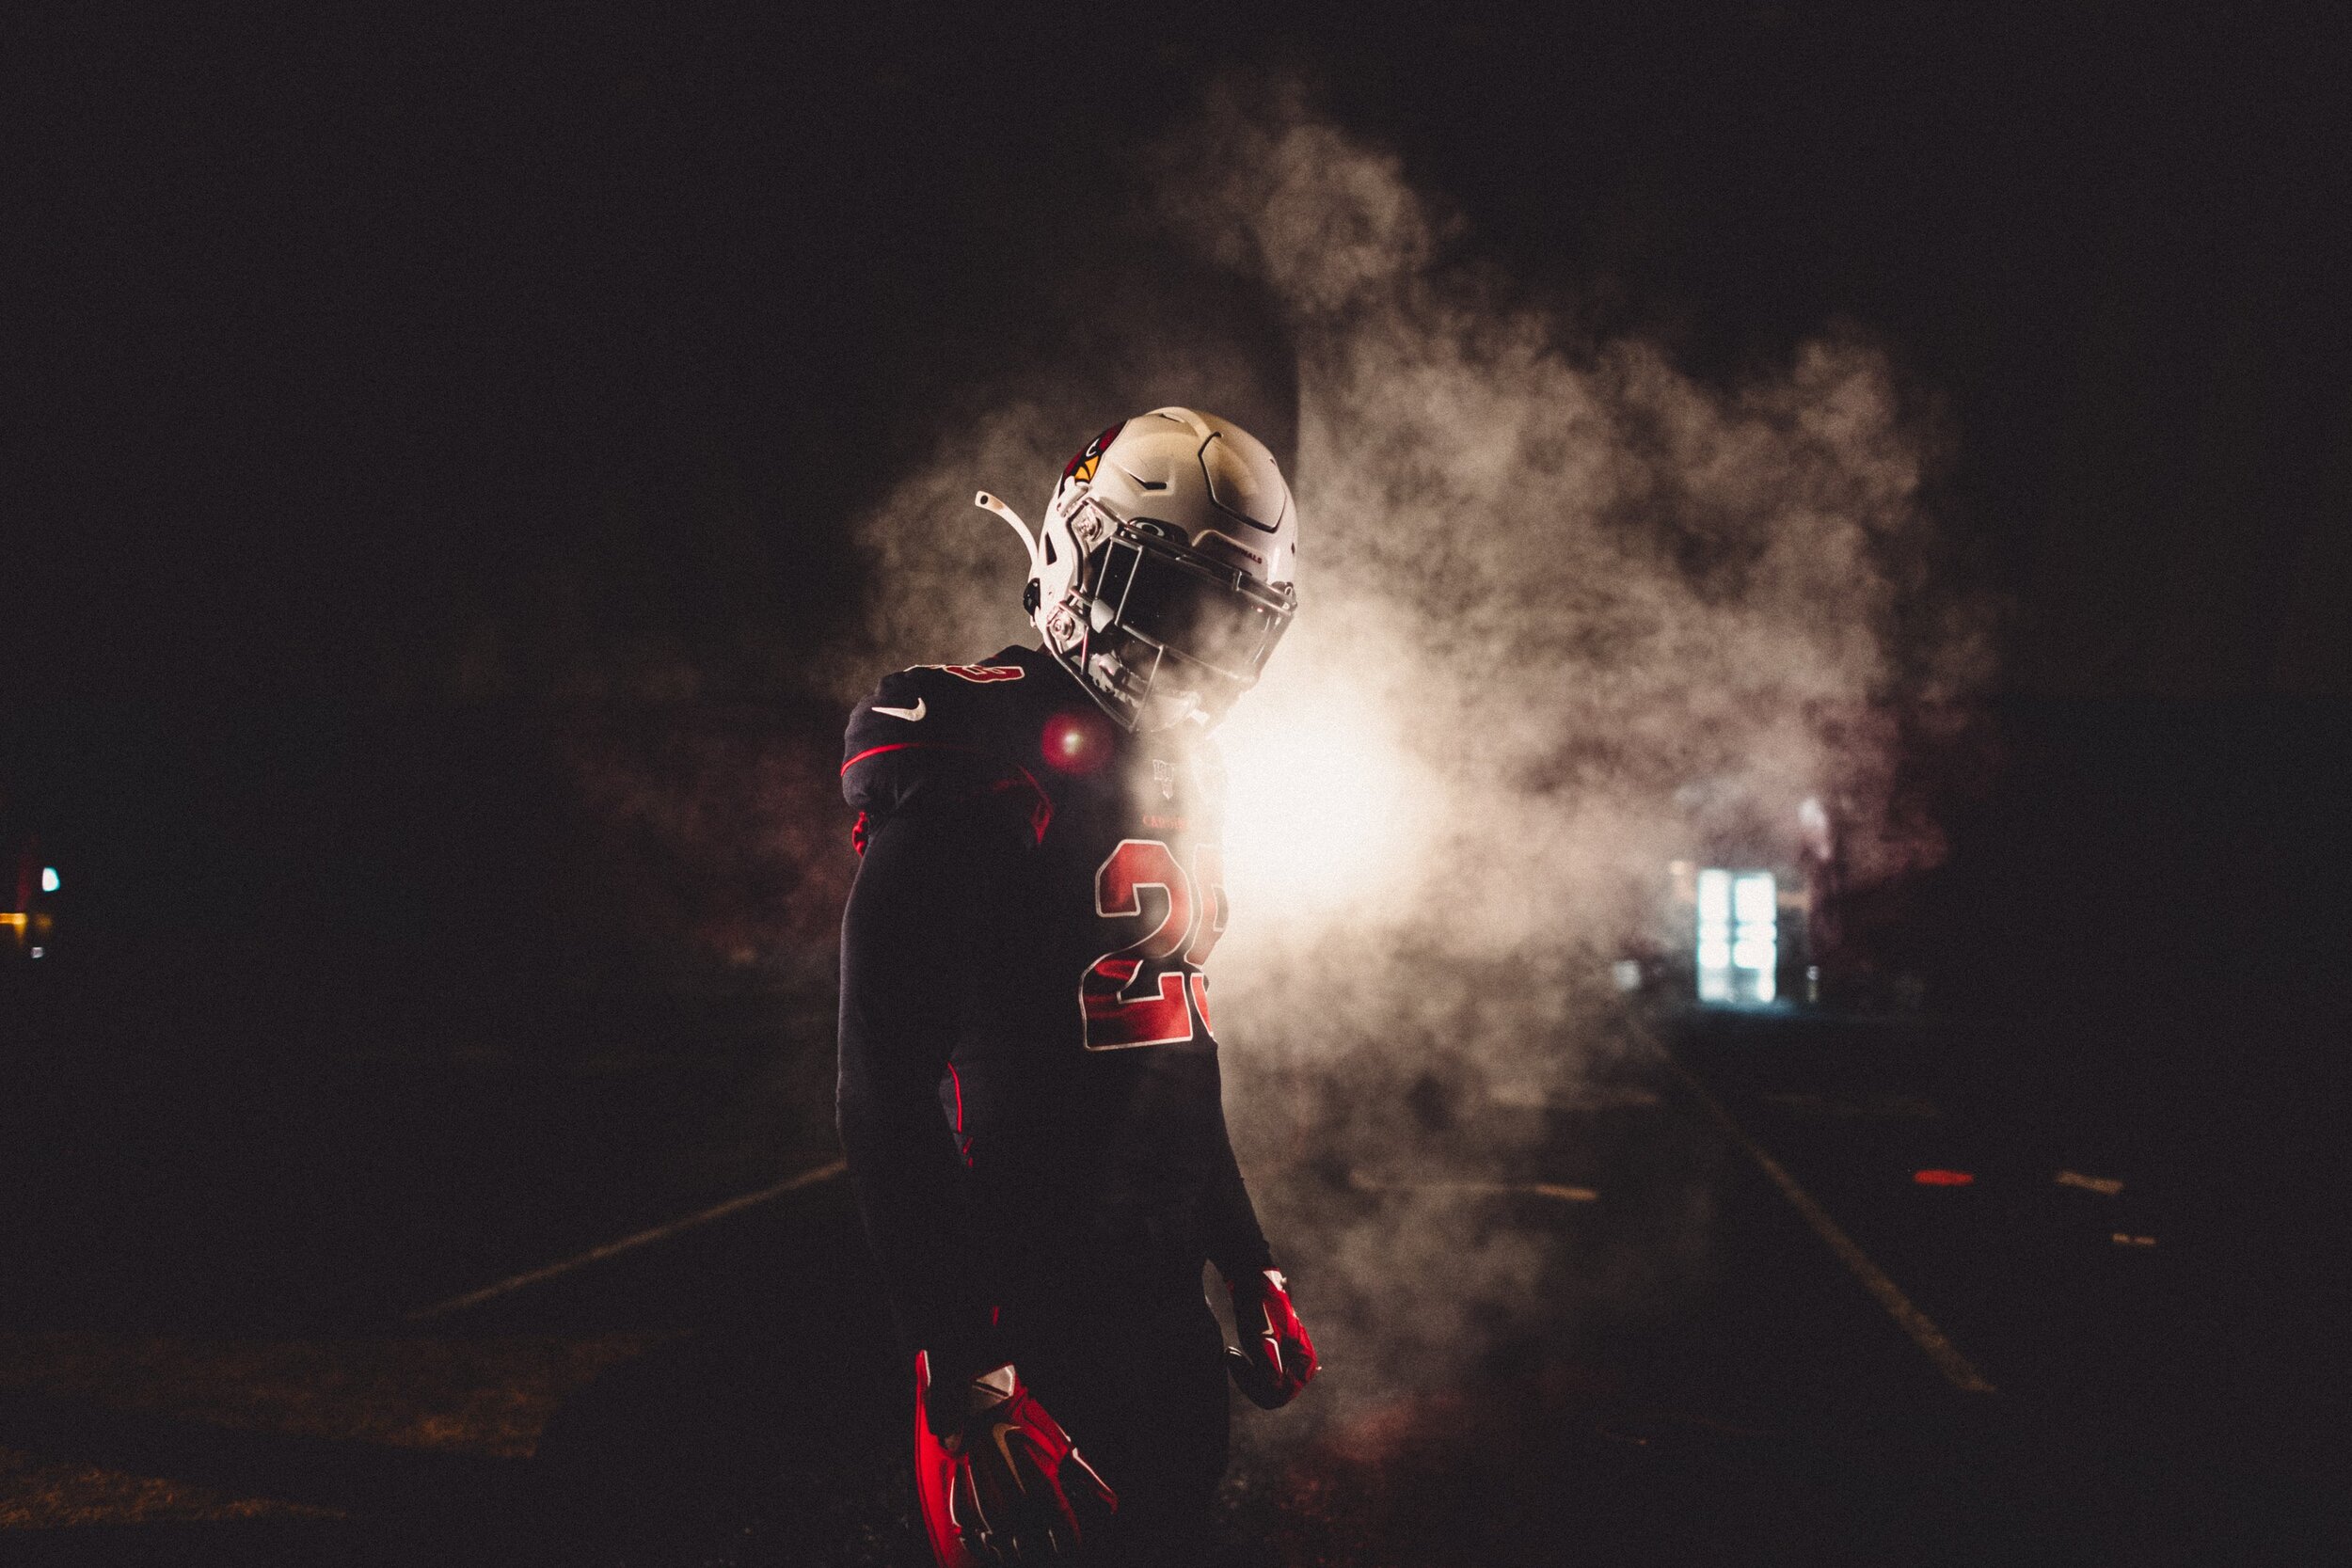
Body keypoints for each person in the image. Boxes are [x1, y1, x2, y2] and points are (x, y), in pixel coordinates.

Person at [837, 408, 1319, 1563]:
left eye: (1225, 617)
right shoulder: (975, 739)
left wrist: (1240, 1248)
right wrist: (964, 1364)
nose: (1193, 648)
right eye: (1163, 598)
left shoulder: (1185, 769)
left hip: (1157, 1302)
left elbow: (1170, 1045)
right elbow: (881, 1088)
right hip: (1022, 1313)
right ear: (1072, 552)